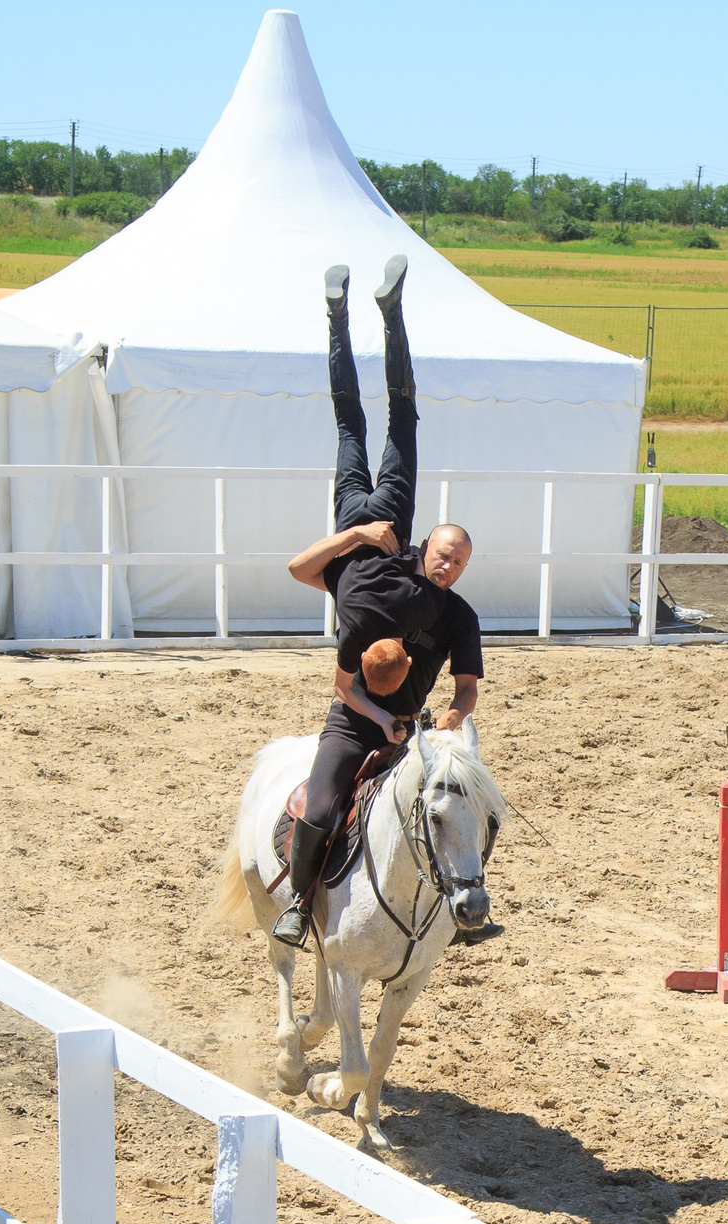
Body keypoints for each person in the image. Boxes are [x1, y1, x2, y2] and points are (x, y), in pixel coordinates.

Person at [269, 255, 483, 948]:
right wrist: (369, 534)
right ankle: (300, 902)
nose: (446, 567)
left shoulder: (370, 597)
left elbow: (304, 569)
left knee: (352, 423)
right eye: (445, 557)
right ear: (428, 552)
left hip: (354, 520)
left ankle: (342, 313)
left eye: (454, 562)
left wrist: (350, 534)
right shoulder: (396, 587)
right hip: (376, 518)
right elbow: (307, 577)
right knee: (389, 416)